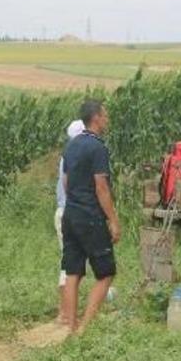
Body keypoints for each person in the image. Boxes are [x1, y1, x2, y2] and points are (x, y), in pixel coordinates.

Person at [60, 100, 120, 334]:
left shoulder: (72, 146)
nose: (107, 119)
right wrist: (113, 219)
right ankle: (84, 328)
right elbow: (101, 187)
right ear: (95, 118)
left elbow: (66, 182)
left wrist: (75, 202)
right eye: (105, 115)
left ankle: (72, 328)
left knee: (73, 272)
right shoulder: (97, 148)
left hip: (70, 215)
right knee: (106, 273)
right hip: (90, 217)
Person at [54, 119, 85, 325]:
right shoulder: (77, 157)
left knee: (70, 262)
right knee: (72, 264)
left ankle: (64, 312)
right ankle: (65, 314)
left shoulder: (68, 155)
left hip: (64, 212)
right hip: (72, 213)